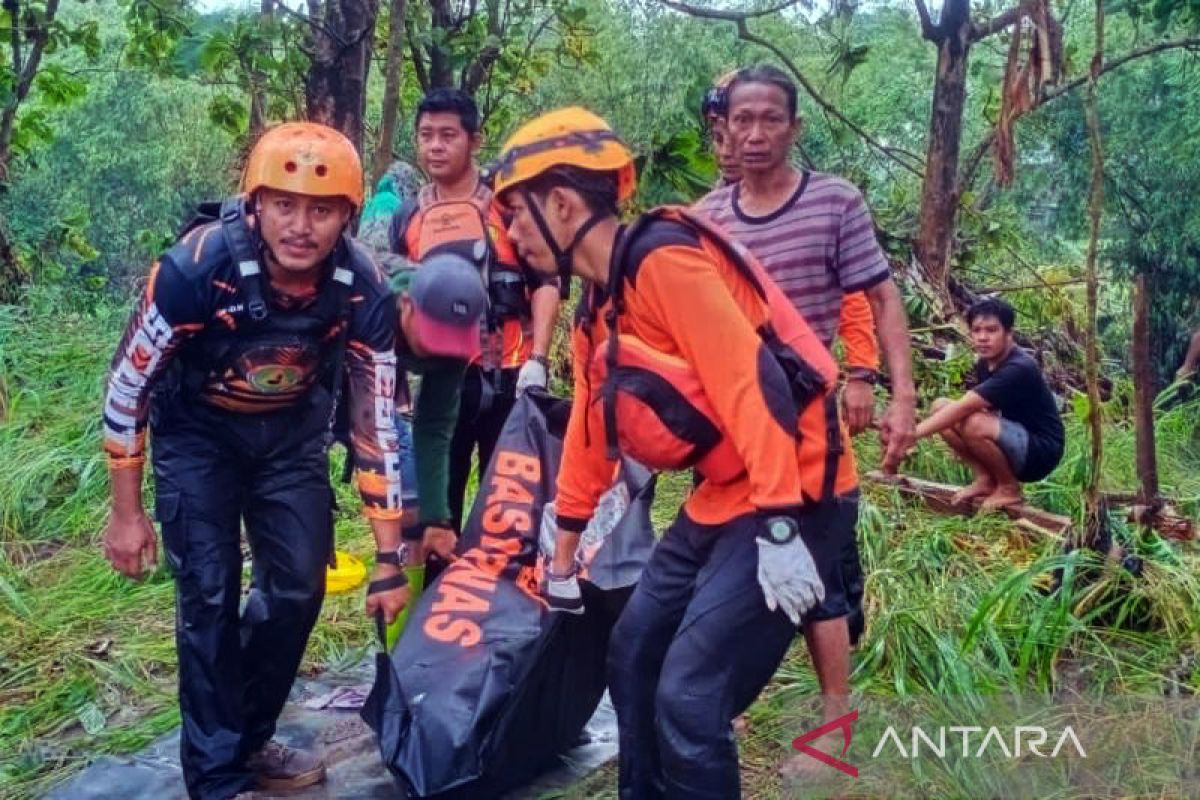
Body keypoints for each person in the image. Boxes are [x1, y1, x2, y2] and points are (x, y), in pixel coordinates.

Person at [492, 106, 857, 799]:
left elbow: (756, 387)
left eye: (517, 215)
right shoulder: (598, 306)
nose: (511, 235)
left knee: (689, 693)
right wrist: (564, 549)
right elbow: (591, 436)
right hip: (725, 494)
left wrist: (781, 528)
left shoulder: (666, 260)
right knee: (631, 655)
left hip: (798, 485)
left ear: (562, 205)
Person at [100, 122, 413, 799]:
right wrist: (125, 514)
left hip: (290, 440)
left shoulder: (362, 288)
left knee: (299, 584)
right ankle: (218, 780)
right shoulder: (193, 270)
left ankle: (246, 735)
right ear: (255, 205)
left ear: (347, 217)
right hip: (196, 440)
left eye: (322, 209)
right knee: (208, 594)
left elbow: (377, 419)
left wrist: (390, 556)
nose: (301, 225)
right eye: (285, 204)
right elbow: (128, 387)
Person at [694, 64, 916, 771]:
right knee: (726, 574)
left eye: (770, 119)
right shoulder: (706, 219)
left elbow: (879, 300)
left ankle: (833, 732)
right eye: (741, 120)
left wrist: (893, 393)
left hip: (810, 431)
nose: (754, 134)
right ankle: (709, 712)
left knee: (819, 581)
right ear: (724, 126)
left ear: (794, 126)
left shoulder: (834, 203)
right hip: (732, 439)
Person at [389, 88, 560, 537]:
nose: (435, 146)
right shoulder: (409, 217)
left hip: (512, 375)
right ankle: (437, 595)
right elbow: (396, 301)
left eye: (448, 135)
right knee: (437, 509)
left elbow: (546, 282)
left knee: (507, 508)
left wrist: (538, 362)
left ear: (474, 140)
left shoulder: (509, 207)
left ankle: (502, 598)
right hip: (446, 378)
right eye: (426, 135)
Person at [913, 297, 1065, 509]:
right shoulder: (986, 364)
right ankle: (985, 479)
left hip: (1041, 452)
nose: (983, 338)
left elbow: (965, 407)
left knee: (971, 421)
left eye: (992, 330)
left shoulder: (1019, 367)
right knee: (940, 407)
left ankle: (1009, 488)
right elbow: (986, 409)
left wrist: (911, 435)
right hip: (1017, 439)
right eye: (977, 330)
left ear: (1009, 332)